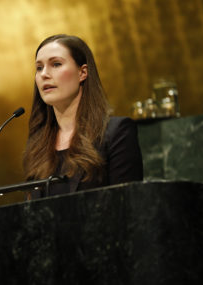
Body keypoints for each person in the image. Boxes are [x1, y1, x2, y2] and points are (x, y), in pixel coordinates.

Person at [23, 34, 143, 198]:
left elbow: (128, 205)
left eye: (56, 64)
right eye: (39, 68)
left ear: (82, 72)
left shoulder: (116, 133)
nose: (44, 74)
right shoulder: (38, 145)